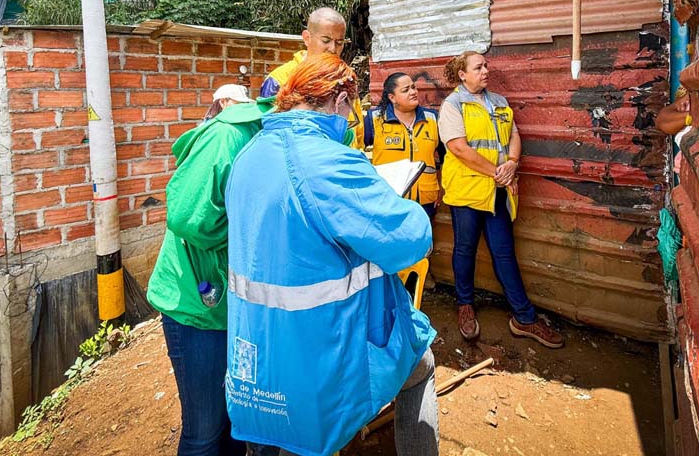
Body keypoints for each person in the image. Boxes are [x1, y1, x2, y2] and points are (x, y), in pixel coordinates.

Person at [225, 54, 439, 456]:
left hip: (257, 350)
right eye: (351, 109)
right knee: (420, 362)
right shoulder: (326, 160)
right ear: (341, 98)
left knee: (278, 440)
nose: (350, 120)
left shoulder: (250, 153)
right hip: (323, 346)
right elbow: (409, 238)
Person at [146, 96, 274, 456]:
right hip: (196, 307)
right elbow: (189, 218)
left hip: (232, 307)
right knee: (204, 430)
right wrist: (257, 231)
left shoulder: (274, 137)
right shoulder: (228, 136)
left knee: (233, 419)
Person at [439, 51, 564, 349]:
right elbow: (458, 148)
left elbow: (513, 136)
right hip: (467, 191)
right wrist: (499, 173)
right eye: (478, 67)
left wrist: (512, 163)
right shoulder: (452, 105)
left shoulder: (499, 101)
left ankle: (524, 317)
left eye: (486, 66)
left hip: (497, 191)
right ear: (462, 74)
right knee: (465, 249)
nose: (486, 70)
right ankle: (465, 305)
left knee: (504, 252)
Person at [260, 6, 364, 148]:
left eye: (339, 43)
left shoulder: (346, 79)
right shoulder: (280, 80)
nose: (333, 49)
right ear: (307, 38)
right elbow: (270, 135)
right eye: (326, 40)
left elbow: (358, 134)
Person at [364, 72, 442, 219]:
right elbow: (354, 150)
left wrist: (440, 189)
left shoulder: (432, 119)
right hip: (388, 200)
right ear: (392, 97)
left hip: (425, 200)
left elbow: (446, 157)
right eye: (406, 90)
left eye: (413, 87)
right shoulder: (374, 120)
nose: (413, 92)